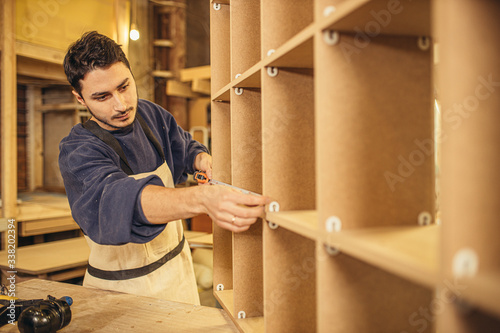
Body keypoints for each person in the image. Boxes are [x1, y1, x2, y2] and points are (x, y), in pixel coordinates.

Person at [59, 31, 269, 305]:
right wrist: (202, 199)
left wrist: (201, 160)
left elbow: (184, 146)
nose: (121, 104)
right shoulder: (78, 150)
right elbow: (118, 199)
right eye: (102, 97)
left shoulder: (150, 114)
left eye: (124, 86)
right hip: (120, 291)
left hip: (178, 274)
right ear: (80, 98)